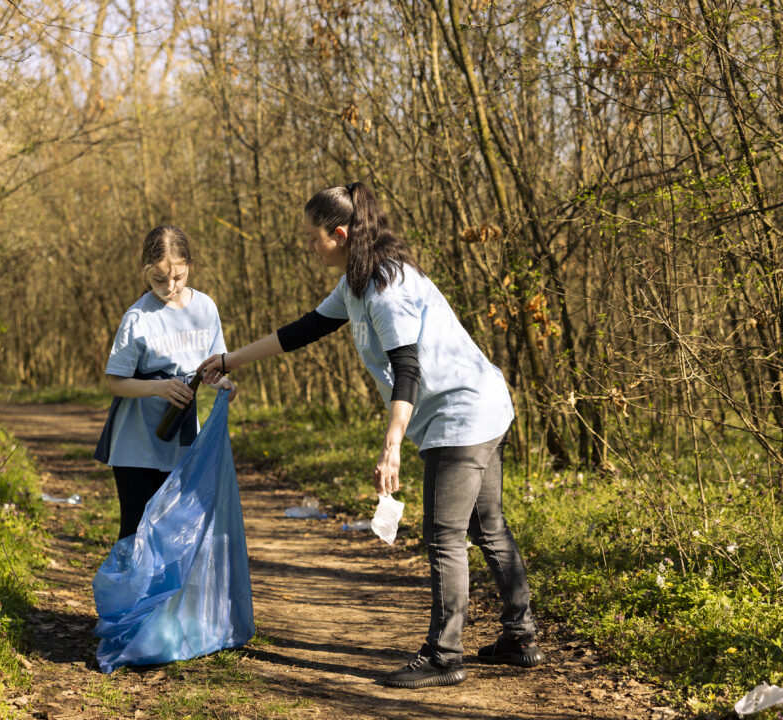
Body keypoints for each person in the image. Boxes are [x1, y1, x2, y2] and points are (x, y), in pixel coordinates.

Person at [198, 182, 543, 690]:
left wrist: (392, 445)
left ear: (339, 234)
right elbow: (303, 330)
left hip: (463, 413)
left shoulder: (386, 288)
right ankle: (520, 635)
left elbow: (408, 369)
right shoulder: (356, 283)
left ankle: (445, 655)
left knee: (444, 536)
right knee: (486, 524)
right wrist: (230, 360)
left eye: (313, 237)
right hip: (477, 404)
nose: (310, 246)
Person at [94, 224, 236, 541]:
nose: (169, 286)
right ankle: (130, 591)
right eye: (159, 279)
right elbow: (115, 383)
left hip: (182, 440)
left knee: (174, 531)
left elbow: (213, 366)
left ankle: (167, 593)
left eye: (178, 277)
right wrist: (158, 387)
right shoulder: (138, 318)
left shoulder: (205, 308)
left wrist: (223, 383)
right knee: (136, 530)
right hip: (137, 445)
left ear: (190, 267)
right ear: (145, 271)